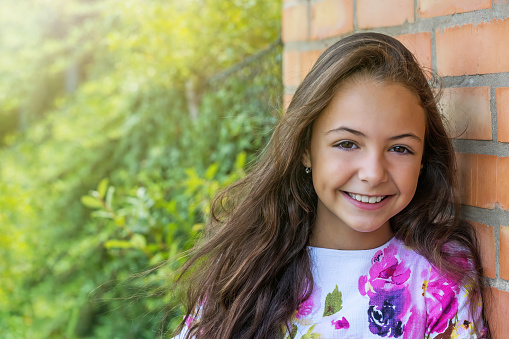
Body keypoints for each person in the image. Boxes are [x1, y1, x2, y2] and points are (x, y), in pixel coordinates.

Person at [171, 32, 489, 338]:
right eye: (347, 143)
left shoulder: (440, 279)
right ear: (306, 149)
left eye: (399, 149)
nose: (373, 173)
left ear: (422, 161)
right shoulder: (245, 268)